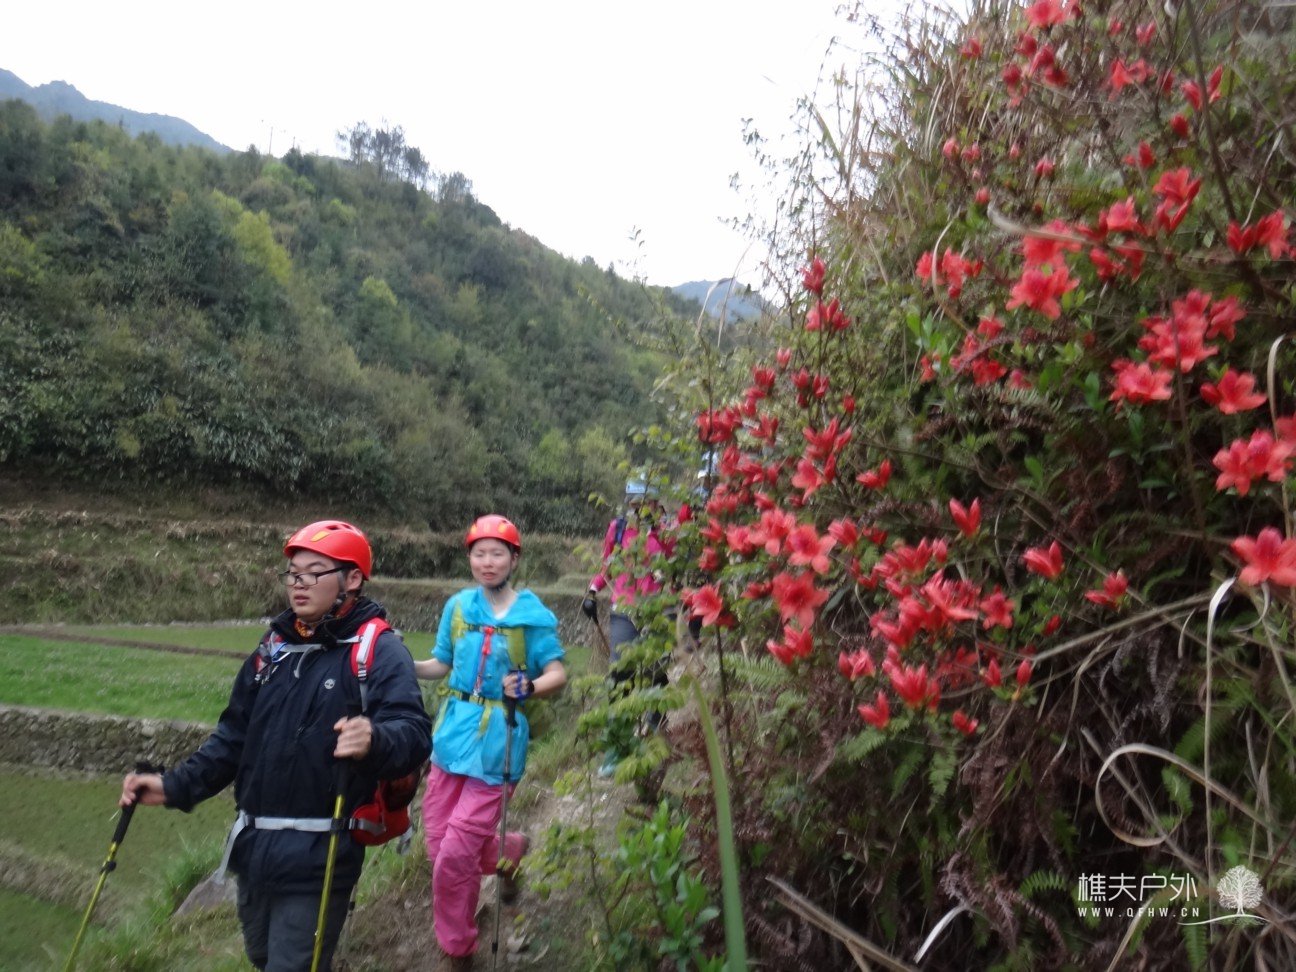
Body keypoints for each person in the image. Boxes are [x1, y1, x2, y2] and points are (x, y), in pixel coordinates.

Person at [120, 519, 431, 972]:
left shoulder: (377, 651)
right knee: (262, 957)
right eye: (293, 573)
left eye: (314, 573)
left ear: (352, 579)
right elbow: (233, 738)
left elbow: (413, 733)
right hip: (255, 850)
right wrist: (173, 786)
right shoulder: (273, 651)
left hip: (322, 855)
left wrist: (375, 737)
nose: (298, 584)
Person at [414, 514, 567, 972]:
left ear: (514, 560)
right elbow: (440, 664)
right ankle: (509, 851)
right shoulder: (459, 608)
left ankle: (458, 947)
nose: (487, 561)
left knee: (455, 855)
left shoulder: (532, 619)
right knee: (438, 847)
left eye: (497, 553)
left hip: (498, 748)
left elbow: (557, 673)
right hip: (450, 743)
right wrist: (399, 662)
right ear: (470, 558)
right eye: (479, 553)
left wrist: (530, 687)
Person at [581, 478, 675, 776]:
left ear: (656, 503)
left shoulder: (666, 529)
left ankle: (655, 736)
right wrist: (593, 591)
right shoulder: (619, 528)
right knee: (619, 674)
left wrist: (660, 534)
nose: (639, 508)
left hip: (658, 610)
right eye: (634, 503)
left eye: (645, 502)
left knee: (656, 673)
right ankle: (616, 747)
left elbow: (676, 565)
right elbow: (607, 564)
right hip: (624, 609)